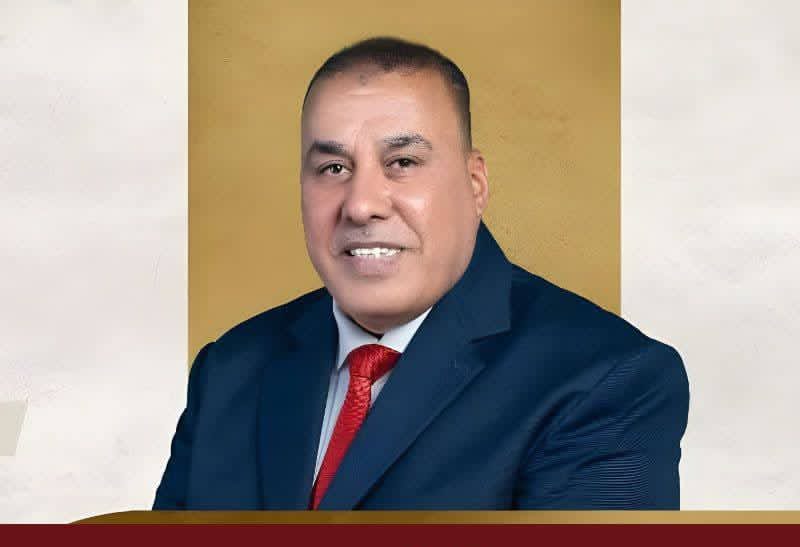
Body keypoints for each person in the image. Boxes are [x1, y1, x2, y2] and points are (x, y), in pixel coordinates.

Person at [153, 37, 689, 510]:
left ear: (475, 185)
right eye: (333, 168)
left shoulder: (605, 380)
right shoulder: (228, 370)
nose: (361, 204)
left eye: (403, 163)